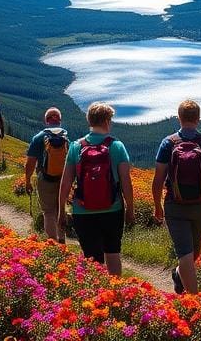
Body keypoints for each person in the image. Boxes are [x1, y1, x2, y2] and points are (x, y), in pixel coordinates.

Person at [152, 99, 201, 294]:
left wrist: (158, 205)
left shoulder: (168, 143)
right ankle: (195, 302)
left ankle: (178, 273)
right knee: (189, 253)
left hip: (174, 205)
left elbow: (158, 178)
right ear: (198, 119)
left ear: (179, 118)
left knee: (190, 253)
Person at [58, 102, 135, 274]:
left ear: (90, 121)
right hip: (112, 209)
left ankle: (96, 297)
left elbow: (65, 182)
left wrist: (61, 211)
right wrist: (130, 208)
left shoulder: (76, 147)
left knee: (92, 260)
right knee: (113, 254)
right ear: (107, 121)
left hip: (82, 211)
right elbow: (125, 181)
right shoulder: (117, 146)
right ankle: (115, 294)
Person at [24, 106, 68, 241]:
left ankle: (52, 243)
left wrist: (27, 181)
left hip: (45, 179)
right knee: (61, 209)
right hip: (62, 179)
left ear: (46, 120)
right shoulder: (66, 137)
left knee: (48, 212)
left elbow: (30, 163)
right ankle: (62, 239)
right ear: (59, 120)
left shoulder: (39, 137)